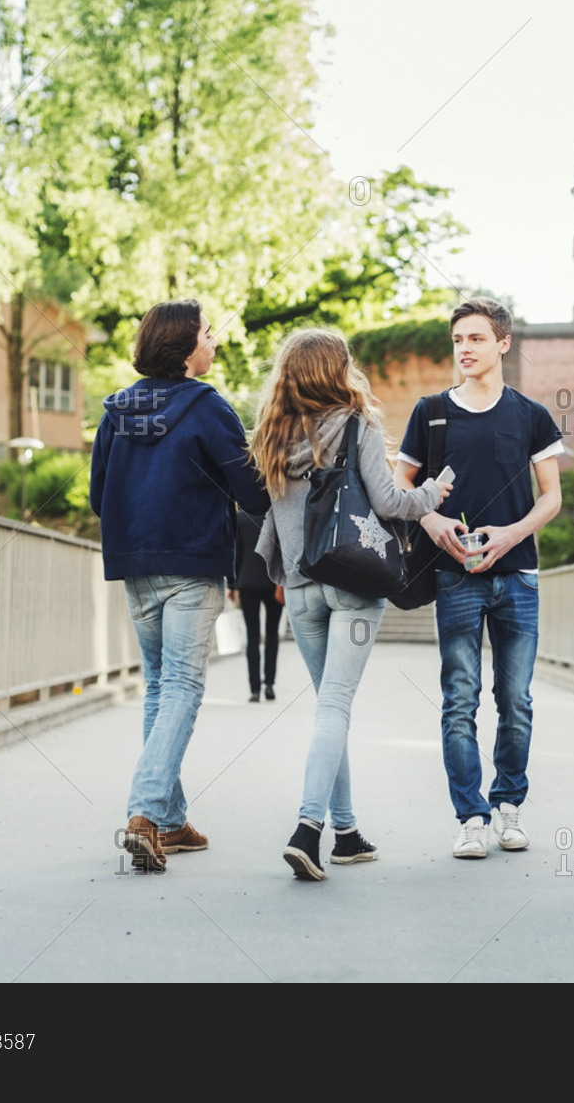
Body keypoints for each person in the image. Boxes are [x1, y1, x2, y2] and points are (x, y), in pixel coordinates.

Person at [251, 328, 450, 882]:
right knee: (334, 707)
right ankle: (306, 830)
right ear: (336, 370)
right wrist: (434, 492)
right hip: (354, 583)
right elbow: (389, 502)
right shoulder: (356, 422)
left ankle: (347, 833)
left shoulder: (271, 432)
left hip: (300, 586)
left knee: (327, 710)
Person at [89, 299, 269, 874]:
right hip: (191, 563)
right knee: (185, 688)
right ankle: (143, 815)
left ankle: (169, 820)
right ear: (187, 349)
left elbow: (98, 495)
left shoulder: (115, 411)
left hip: (134, 564)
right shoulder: (207, 406)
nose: (215, 342)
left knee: (160, 687)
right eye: (209, 334)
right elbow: (253, 492)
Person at [394, 297, 564, 858]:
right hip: (454, 576)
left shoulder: (531, 415)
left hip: (519, 575)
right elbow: (401, 492)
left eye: (475, 339)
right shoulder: (430, 412)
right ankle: (471, 816)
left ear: (502, 344)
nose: (464, 349)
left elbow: (553, 498)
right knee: (458, 699)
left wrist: (512, 534)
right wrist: (434, 517)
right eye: (458, 340)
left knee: (515, 699)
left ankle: (510, 805)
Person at [232, 509, 283, 702]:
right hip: (273, 582)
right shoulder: (277, 516)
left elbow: (236, 552)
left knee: (252, 636)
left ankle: (254, 689)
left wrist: (232, 584)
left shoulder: (241, 518)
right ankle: (269, 684)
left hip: (247, 583)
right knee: (272, 635)